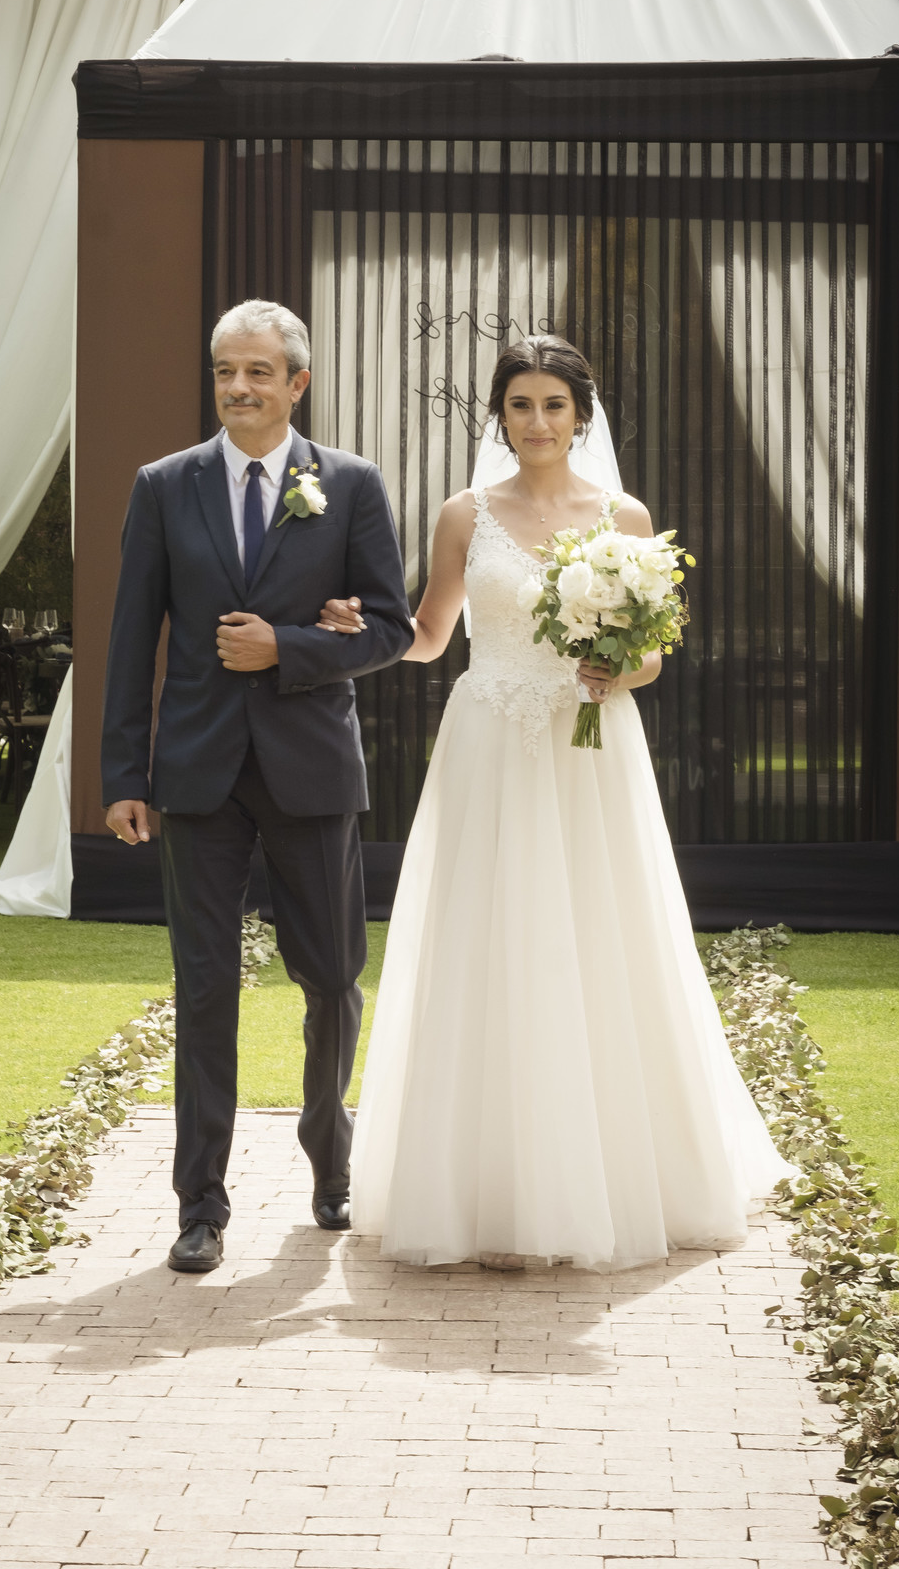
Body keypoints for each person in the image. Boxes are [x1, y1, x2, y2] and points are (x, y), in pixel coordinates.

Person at [322, 334, 785, 1269]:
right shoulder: (464, 514)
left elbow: (651, 655)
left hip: (589, 748)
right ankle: (482, 1190)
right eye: (520, 405)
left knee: (600, 932)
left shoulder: (624, 516)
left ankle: (612, 1178)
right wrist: (357, 630)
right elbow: (430, 634)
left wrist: (619, 668)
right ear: (500, 415)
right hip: (490, 740)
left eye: (554, 405)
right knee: (488, 938)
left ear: (582, 415)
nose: (537, 422)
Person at [102, 299, 413, 1273]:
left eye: (258, 372)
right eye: (225, 371)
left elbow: (393, 629)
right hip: (196, 775)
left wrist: (292, 648)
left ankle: (330, 1156)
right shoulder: (164, 486)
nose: (238, 387)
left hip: (311, 771)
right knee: (204, 988)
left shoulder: (350, 486)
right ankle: (201, 1204)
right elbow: (130, 638)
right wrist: (124, 774)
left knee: (332, 979)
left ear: (297, 384)